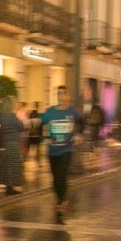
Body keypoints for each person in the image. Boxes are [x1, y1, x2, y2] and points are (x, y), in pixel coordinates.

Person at [39, 85, 80, 216]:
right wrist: (44, 138)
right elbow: (39, 125)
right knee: (55, 178)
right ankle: (59, 198)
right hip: (52, 151)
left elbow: (81, 123)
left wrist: (78, 134)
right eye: (59, 94)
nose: (61, 96)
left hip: (66, 149)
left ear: (68, 96)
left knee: (62, 175)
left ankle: (61, 202)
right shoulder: (49, 112)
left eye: (64, 94)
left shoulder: (73, 112)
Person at [0, 95, 25, 194]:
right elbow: (21, 127)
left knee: (7, 165)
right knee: (14, 165)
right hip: (14, 142)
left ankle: (8, 187)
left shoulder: (1, 116)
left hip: (5, 142)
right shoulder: (12, 116)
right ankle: (14, 187)